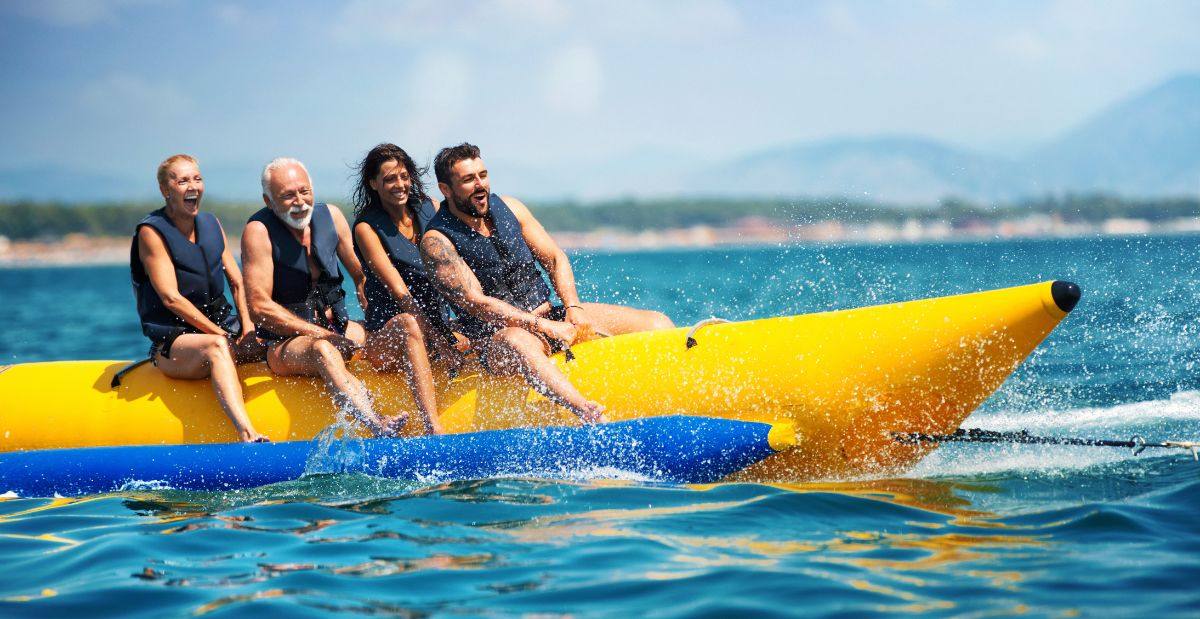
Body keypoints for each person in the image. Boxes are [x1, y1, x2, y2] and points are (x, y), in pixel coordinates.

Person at [419, 143, 674, 423]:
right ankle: (585, 412)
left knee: (656, 323)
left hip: (550, 316)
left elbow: (554, 258)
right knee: (518, 341)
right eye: (469, 180)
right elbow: (478, 303)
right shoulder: (437, 241)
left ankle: (676, 399)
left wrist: (572, 307)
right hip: (496, 341)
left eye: (483, 174)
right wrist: (541, 326)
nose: (480, 185)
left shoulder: (512, 208)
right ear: (446, 189)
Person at [241, 157, 404, 437]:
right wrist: (318, 334)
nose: (299, 201)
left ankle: (436, 410)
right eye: (288, 195)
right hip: (285, 343)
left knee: (401, 330)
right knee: (323, 351)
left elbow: (361, 275)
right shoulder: (258, 232)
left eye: (304, 192)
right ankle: (378, 424)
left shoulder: (332, 217)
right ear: (269, 201)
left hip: (338, 327)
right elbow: (258, 306)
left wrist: (375, 314)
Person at [131, 154, 269, 443]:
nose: (192, 186)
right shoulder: (151, 232)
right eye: (182, 181)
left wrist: (248, 329)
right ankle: (247, 432)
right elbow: (171, 299)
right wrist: (222, 335)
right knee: (217, 347)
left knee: (272, 341)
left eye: (197, 178)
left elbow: (237, 281)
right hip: (175, 342)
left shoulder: (210, 223)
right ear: (165, 190)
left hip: (223, 327)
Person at [351, 143, 465, 435]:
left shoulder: (429, 208)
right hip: (389, 336)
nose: (399, 185)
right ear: (373, 183)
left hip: (437, 327)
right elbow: (400, 293)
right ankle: (432, 426)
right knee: (408, 324)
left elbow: (457, 271)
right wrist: (440, 343)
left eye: (404, 176)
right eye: (389, 179)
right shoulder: (367, 228)